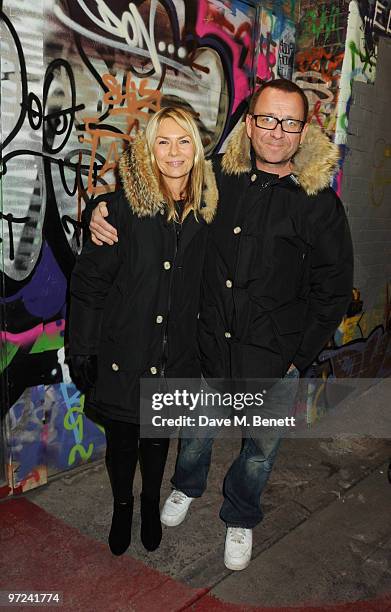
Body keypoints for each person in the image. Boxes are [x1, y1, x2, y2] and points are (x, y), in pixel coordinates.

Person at [88, 79, 354, 570]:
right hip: (207, 346)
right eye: (267, 119)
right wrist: (98, 209)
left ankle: (240, 514)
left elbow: (333, 289)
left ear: (302, 131)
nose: (277, 132)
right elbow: (155, 186)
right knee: (196, 437)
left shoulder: (320, 204)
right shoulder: (217, 179)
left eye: (289, 122)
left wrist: (299, 355)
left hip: (274, 358)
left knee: (258, 451)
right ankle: (187, 488)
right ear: (249, 125)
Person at [68, 106, 218, 557]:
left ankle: (150, 505)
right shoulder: (120, 209)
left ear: (197, 150)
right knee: (122, 441)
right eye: (163, 142)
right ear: (150, 151)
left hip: (176, 358)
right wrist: (83, 350)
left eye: (184, 141)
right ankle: (122, 506)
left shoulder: (210, 211)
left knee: (157, 440)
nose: (174, 152)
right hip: (124, 352)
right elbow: (90, 284)